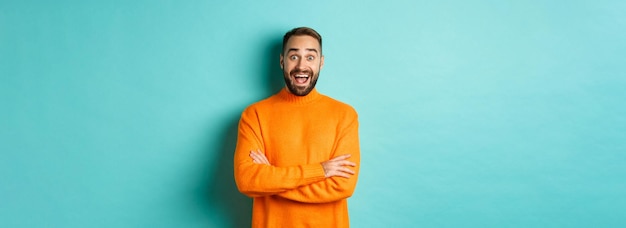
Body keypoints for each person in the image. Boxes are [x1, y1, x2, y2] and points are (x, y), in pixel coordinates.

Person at [233, 27, 360, 227]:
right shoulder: (255, 115)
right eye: (294, 56)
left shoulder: (344, 115)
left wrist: (271, 180)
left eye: (310, 57)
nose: (301, 65)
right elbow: (247, 180)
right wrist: (320, 171)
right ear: (282, 61)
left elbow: (342, 186)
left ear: (321, 62)